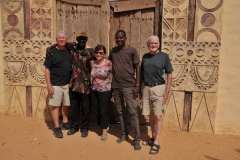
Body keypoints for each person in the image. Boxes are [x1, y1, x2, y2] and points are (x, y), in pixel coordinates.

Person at [140, 35, 173, 155]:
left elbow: (169, 74)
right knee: (151, 115)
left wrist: (167, 91)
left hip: (159, 88)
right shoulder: (145, 57)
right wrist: (140, 89)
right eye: (151, 43)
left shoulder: (164, 56)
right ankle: (153, 137)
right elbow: (142, 73)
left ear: (158, 44)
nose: (153, 45)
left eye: (155, 43)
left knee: (158, 116)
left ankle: (157, 142)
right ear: (148, 44)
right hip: (146, 88)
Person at [109, 30, 141, 151]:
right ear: (115, 38)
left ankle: (136, 139)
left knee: (132, 112)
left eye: (121, 38)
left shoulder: (132, 50)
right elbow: (107, 64)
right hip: (116, 86)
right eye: (117, 38)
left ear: (125, 38)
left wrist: (137, 85)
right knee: (120, 111)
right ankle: (124, 133)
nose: (119, 40)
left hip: (129, 85)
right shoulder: (113, 51)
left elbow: (138, 68)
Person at [44, 30, 71, 138]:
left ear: (66, 39)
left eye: (63, 37)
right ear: (56, 40)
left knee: (66, 104)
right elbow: (47, 69)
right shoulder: (51, 52)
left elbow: (78, 45)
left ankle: (65, 122)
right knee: (56, 106)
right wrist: (49, 85)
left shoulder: (69, 50)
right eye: (59, 38)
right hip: (55, 84)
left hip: (66, 84)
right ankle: (56, 127)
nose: (61, 39)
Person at [66, 32, 94, 138]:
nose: (82, 41)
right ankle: (74, 127)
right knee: (74, 107)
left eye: (84, 39)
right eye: (80, 39)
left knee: (86, 108)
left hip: (85, 84)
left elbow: (99, 59)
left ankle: (85, 128)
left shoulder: (90, 52)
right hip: (74, 83)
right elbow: (62, 42)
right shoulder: (73, 48)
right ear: (77, 39)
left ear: (86, 40)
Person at [90, 45, 112, 141]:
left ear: (104, 54)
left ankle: (104, 130)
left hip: (105, 90)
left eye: (101, 53)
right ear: (94, 53)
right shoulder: (91, 63)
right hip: (94, 89)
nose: (99, 54)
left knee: (103, 109)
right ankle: (103, 124)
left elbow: (115, 74)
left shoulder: (108, 63)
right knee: (95, 109)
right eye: (97, 52)